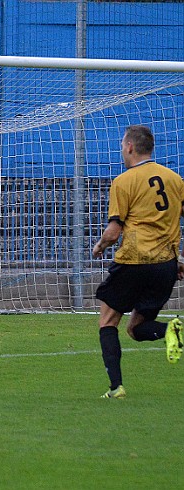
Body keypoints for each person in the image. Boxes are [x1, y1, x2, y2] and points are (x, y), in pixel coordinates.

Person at [92, 125, 184, 399]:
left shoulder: (124, 181)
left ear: (130, 147)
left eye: (122, 145)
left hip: (134, 260)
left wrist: (100, 246)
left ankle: (116, 387)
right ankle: (172, 331)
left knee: (108, 322)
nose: (122, 149)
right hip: (165, 265)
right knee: (136, 328)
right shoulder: (174, 179)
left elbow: (114, 230)